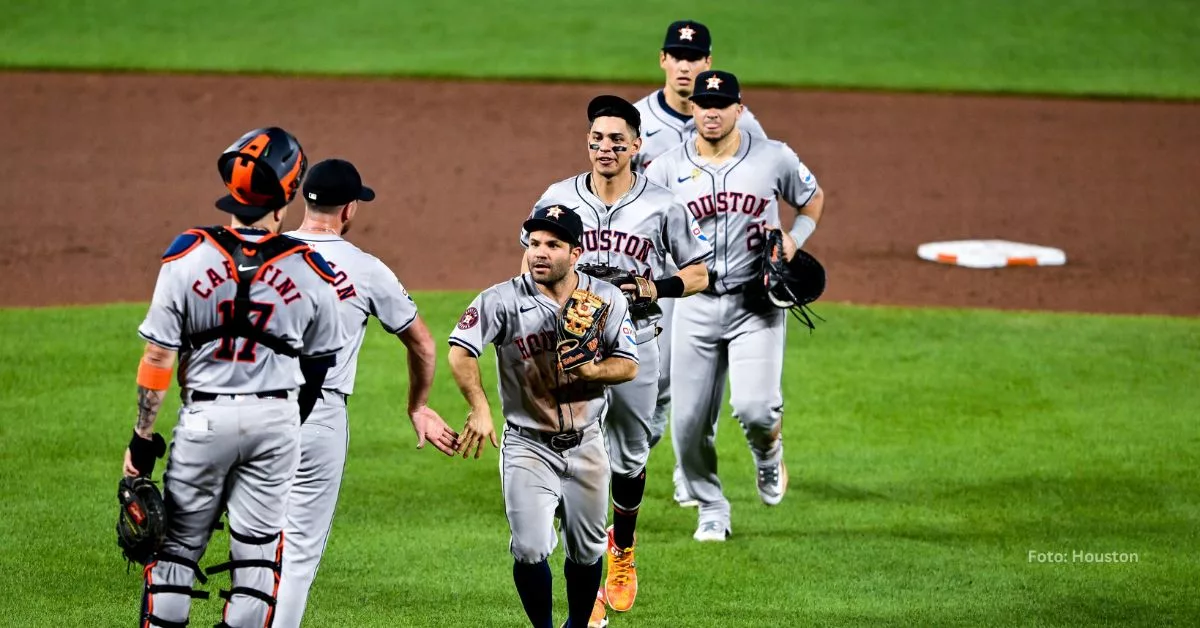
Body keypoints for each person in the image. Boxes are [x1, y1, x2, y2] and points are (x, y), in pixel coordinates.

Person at [122, 127, 346, 627]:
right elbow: (318, 365)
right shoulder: (313, 269)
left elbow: (158, 357)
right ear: (287, 195)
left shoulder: (186, 254)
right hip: (276, 422)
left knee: (175, 554)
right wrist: (288, 420)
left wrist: (141, 443)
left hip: (203, 420)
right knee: (258, 563)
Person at [521, 95, 712, 624]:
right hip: (569, 350)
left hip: (635, 345)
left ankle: (622, 550)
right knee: (567, 451)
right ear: (588, 143)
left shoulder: (663, 203)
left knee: (629, 458)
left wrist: (658, 286)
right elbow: (530, 255)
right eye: (597, 139)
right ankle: (586, 556)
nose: (606, 148)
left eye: (616, 140)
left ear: (636, 144)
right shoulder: (560, 198)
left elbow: (699, 273)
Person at [272, 158, 459, 627]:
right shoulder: (366, 269)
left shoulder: (260, 253)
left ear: (303, 200)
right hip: (319, 416)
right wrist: (417, 405)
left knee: (250, 547)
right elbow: (422, 342)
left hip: (249, 410)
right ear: (349, 209)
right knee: (296, 557)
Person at [644, 70, 826, 542]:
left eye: (721, 105)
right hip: (695, 308)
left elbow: (811, 199)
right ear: (694, 109)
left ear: (739, 110)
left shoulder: (773, 157)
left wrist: (794, 238)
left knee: (756, 408)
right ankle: (712, 508)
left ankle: (768, 454)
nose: (710, 112)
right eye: (704, 104)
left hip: (755, 306)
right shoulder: (665, 168)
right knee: (686, 427)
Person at [449, 205, 639, 628]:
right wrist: (480, 408)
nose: (540, 252)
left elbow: (628, 364)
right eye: (534, 243)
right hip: (527, 444)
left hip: (587, 442)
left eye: (552, 245)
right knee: (531, 547)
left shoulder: (605, 299)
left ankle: (576, 624)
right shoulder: (501, 300)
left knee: (588, 551)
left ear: (575, 253)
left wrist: (592, 369)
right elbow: (460, 351)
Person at [630, 20, 770, 509]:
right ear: (663, 60)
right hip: (659, 267)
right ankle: (637, 462)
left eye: (695, 57)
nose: (685, 64)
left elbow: (764, 180)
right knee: (659, 374)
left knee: (688, 378)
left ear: (707, 62)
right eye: (677, 55)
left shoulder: (740, 121)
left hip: (716, 271)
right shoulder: (638, 121)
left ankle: (686, 478)